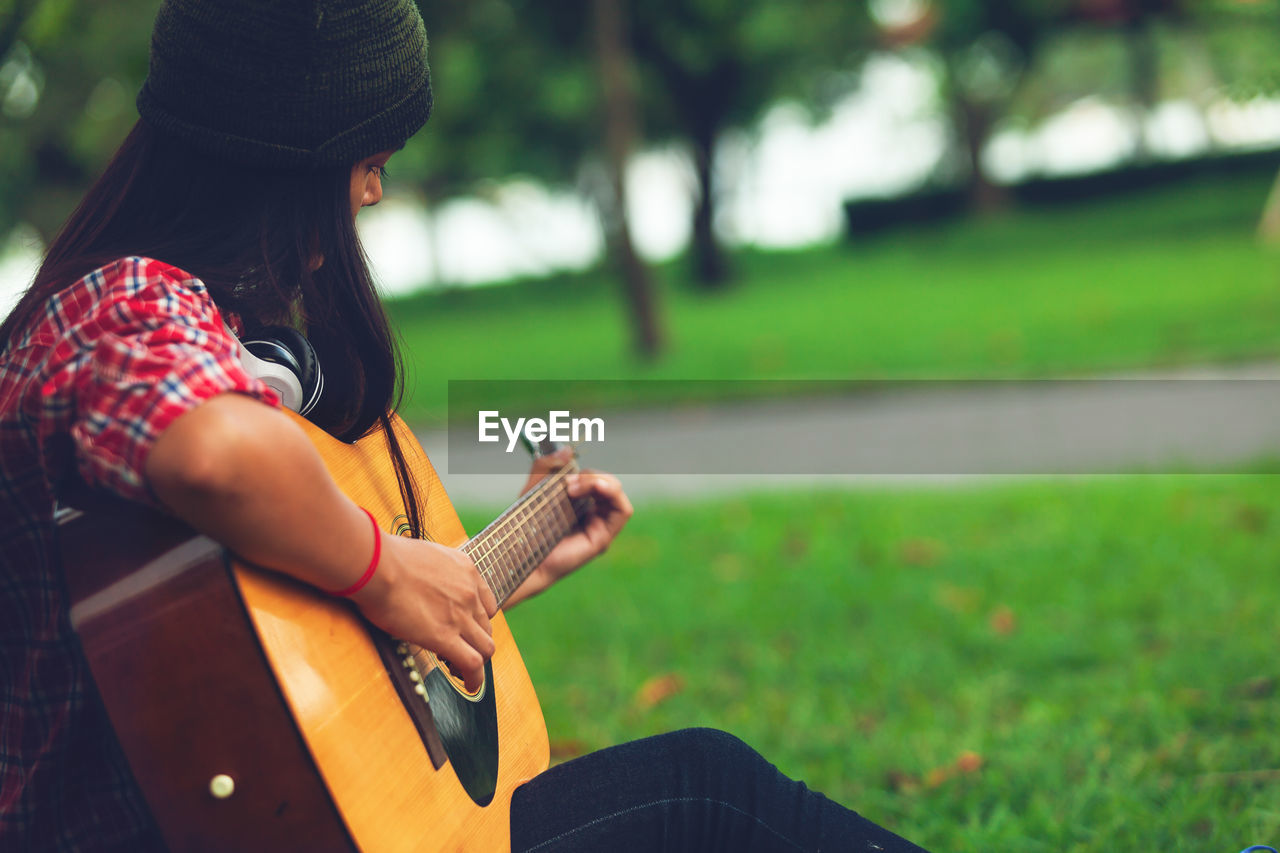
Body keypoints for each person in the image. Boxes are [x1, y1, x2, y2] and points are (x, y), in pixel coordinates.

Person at [0, 2, 930, 851]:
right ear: (286, 158)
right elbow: (218, 453)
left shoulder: (192, 320)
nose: (371, 196)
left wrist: (477, 577)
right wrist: (388, 568)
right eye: (370, 164)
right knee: (706, 790)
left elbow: (228, 644)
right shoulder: (120, 304)